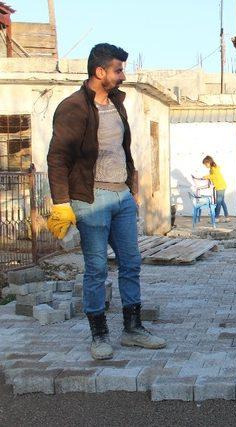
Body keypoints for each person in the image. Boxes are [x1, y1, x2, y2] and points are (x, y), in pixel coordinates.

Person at [46, 43, 166, 361]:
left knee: (131, 263)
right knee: (97, 269)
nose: (122, 75)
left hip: (121, 196)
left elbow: (124, 150)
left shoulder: (117, 103)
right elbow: (57, 158)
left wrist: (133, 187)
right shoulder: (73, 108)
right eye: (118, 69)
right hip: (91, 198)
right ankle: (99, 335)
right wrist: (61, 202)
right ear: (100, 72)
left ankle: (133, 329)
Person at [201, 156, 229, 221]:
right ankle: (227, 217)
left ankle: (216, 218)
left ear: (209, 162)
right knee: (222, 202)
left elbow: (215, 176)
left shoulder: (213, 168)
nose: (205, 166)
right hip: (221, 186)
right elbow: (215, 177)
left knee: (218, 202)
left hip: (220, 187)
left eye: (205, 164)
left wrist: (206, 176)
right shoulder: (213, 167)